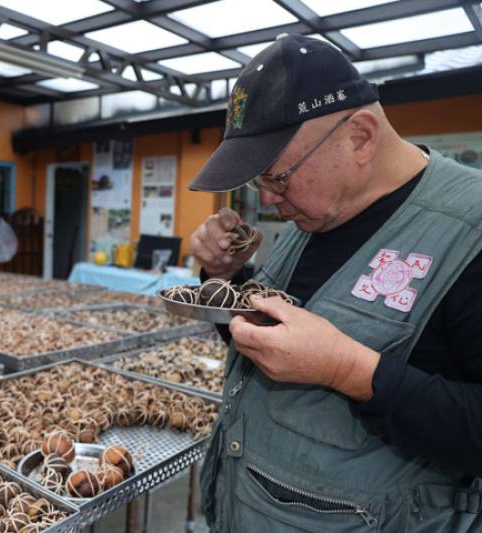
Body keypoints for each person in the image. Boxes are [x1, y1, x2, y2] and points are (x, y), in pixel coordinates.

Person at [189, 34, 482, 532]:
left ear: (360, 137)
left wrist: (347, 369)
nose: (268, 199)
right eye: (258, 182)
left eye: (277, 177)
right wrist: (224, 278)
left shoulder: (469, 229)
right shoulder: (316, 212)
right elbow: (268, 340)